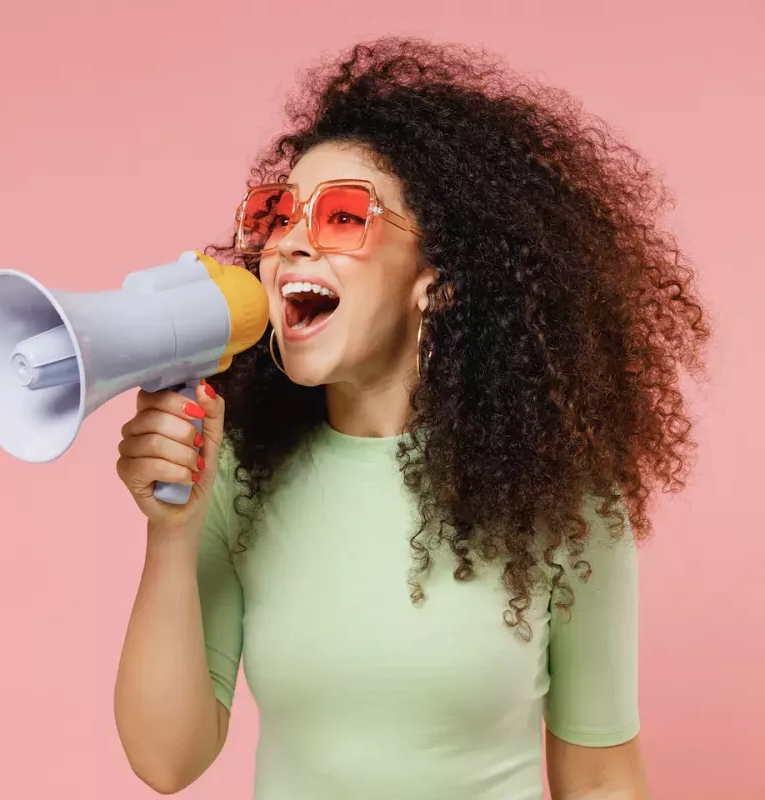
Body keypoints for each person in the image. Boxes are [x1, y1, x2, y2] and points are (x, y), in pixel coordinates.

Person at [111, 37, 708, 799]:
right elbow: (167, 759)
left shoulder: (561, 495)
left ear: (439, 280)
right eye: (278, 215)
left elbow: (599, 778)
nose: (290, 242)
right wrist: (171, 531)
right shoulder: (239, 472)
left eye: (342, 218)